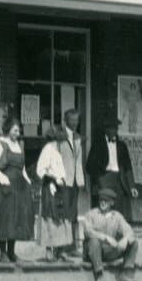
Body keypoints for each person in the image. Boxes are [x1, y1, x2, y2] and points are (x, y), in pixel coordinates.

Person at [0, 115, 35, 263]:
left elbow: (23, 169)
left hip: (19, 187)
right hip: (6, 187)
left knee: (16, 219)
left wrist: (28, 181)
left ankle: (11, 252)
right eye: (15, 130)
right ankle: (2, 253)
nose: (17, 133)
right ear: (8, 129)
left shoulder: (19, 146)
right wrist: (4, 180)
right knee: (4, 218)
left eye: (19, 131)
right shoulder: (0, 144)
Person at [35, 124, 79, 260]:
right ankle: (49, 250)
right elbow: (40, 170)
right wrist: (53, 177)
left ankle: (60, 250)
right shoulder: (48, 149)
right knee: (50, 217)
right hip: (51, 187)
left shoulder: (57, 149)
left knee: (62, 217)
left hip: (61, 187)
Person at [81, 187, 137, 281]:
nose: (103, 202)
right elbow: (88, 231)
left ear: (112, 203)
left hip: (109, 252)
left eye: (106, 200)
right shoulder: (91, 214)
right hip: (92, 252)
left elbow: (130, 231)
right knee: (94, 241)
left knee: (133, 242)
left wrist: (126, 239)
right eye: (101, 200)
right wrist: (105, 237)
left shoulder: (117, 216)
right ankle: (99, 275)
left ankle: (126, 273)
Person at [85, 119, 138, 220]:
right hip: (104, 178)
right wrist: (99, 178)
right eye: (111, 128)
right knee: (105, 207)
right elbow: (89, 166)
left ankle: (118, 233)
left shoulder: (122, 146)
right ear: (106, 130)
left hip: (119, 179)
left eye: (115, 128)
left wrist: (132, 186)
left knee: (119, 208)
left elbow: (128, 166)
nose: (114, 131)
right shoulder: (98, 145)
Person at [59, 109, 86, 256]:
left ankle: (72, 246)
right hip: (63, 180)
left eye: (77, 120)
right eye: (72, 120)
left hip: (74, 181)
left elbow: (79, 162)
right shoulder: (60, 137)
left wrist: (81, 180)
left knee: (73, 213)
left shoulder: (78, 138)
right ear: (66, 120)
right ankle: (62, 247)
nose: (75, 123)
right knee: (64, 213)